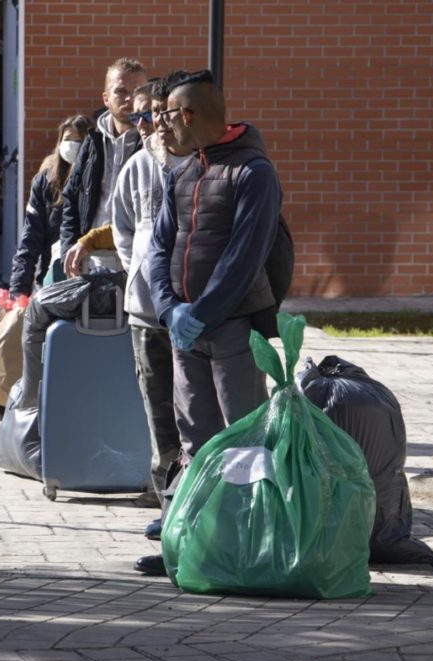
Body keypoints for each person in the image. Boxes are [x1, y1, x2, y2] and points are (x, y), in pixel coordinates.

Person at [136, 70, 283, 577]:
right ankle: (191, 548)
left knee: (243, 442)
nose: (160, 128)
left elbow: (245, 257)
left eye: (166, 117)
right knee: (195, 443)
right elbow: (158, 248)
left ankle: (245, 553)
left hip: (233, 332)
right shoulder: (184, 172)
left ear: (189, 115)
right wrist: (171, 309)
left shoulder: (253, 173)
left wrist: (201, 313)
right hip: (185, 333)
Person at [63, 75, 188, 521]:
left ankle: (196, 499)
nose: (153, 124)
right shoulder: (138, 166)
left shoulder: (196, 163)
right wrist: (137, 272)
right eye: (146, 116)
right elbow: (122, 229)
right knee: (156, 406)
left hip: (191, 311)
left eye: (160, 115)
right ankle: (165, 498)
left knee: (193, 409)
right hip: (145, 311)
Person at [59, 57, 148, 258]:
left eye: (137, 92)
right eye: (121, 91)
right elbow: (72, 199)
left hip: (135, 257)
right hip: (89, 256)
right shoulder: (93, 140)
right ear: (106, 98)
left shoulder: (152, 143)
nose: (130, 99)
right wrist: (68, 250)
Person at [8, 114, 92, 298]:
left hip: (91, 274)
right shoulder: (46, 182)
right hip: (51, 276)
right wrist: (18, 290)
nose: (72, 145)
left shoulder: (96, 181)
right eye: (67, 139)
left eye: (79, 140)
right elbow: (29, 239)